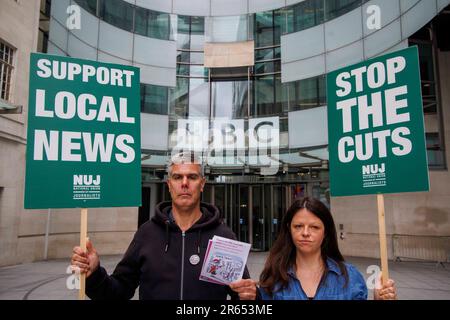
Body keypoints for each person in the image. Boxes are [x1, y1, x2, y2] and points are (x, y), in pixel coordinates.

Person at [71, 152, 257, 300]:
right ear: (169, 185)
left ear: (202, 184)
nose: (184, 183)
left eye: (192, 177)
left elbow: (241, 294)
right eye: (177, 177)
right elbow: (118, 292)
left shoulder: (222, 236)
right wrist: (94, 274)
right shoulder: (147, 233)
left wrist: (250, 296)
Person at [259, 197, 397, 300]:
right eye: (298, 226)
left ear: (325, 232)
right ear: (289, 229)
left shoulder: (350, 277)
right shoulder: (273, 277)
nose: (305, 233)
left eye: (314, 227)